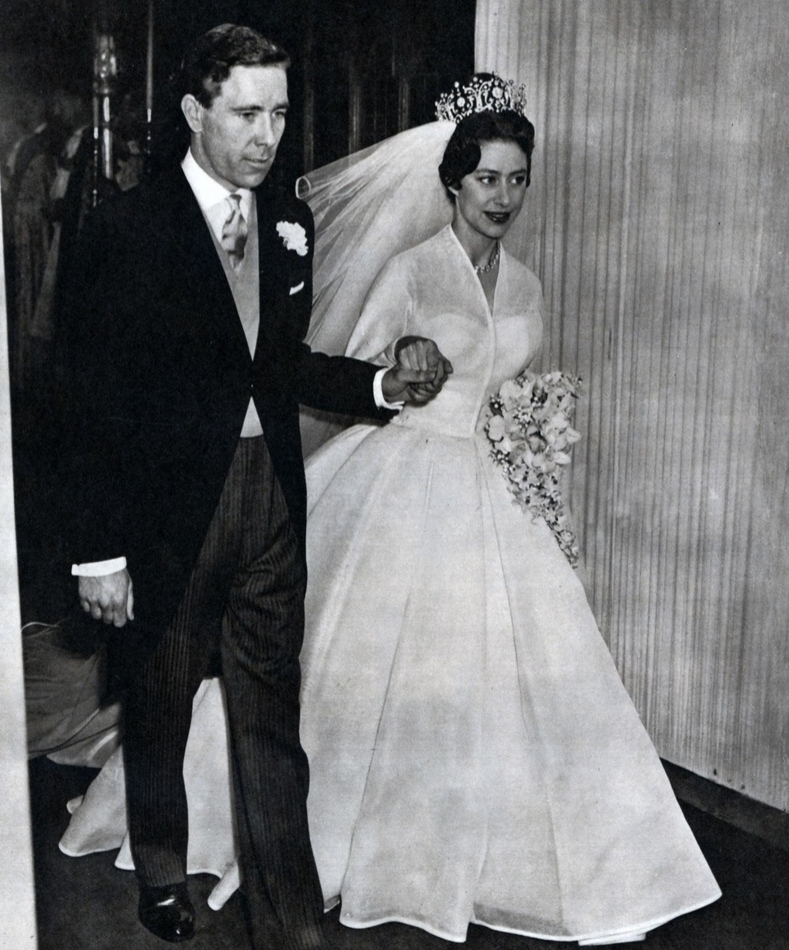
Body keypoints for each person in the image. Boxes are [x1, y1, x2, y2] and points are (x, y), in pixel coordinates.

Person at [56, 73, 721, 945]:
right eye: (487, 179)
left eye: (518, 180)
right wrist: (394, 373)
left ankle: (471, 855)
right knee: (313, 687)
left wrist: (530, 438)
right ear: (451, 182)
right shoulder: (410, 270)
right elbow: (336, 368)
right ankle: (224, 856)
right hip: (401, 486)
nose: (503, 198)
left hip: (493, 501)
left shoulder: (526, 284)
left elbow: (512, 392)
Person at [58, 23, 449, 949]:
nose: (267, 135)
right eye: (246, 113)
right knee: (155, 701)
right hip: (162, 514)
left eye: (277, 112)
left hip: (269, 498)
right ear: (196, 111)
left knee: (271, 724)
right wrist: (99, 552)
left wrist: (379, 386)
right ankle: (160, 869)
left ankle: (287, 924)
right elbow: (85, 402)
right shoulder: (125, 226)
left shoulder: (289, 221)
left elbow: (276, 365)